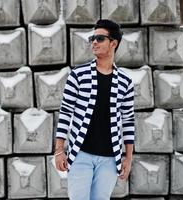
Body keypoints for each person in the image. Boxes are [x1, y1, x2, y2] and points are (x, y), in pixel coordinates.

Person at [54, 19, 135, 200]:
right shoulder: (78, 75)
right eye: (92, 38)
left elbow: (128, 121)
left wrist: (128, 158)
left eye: (99, 38)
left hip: (109, 159)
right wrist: (59, 150)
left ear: (113, 43)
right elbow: (66, 112)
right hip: (81, 154)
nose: (94, 42)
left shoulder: (125, 82)